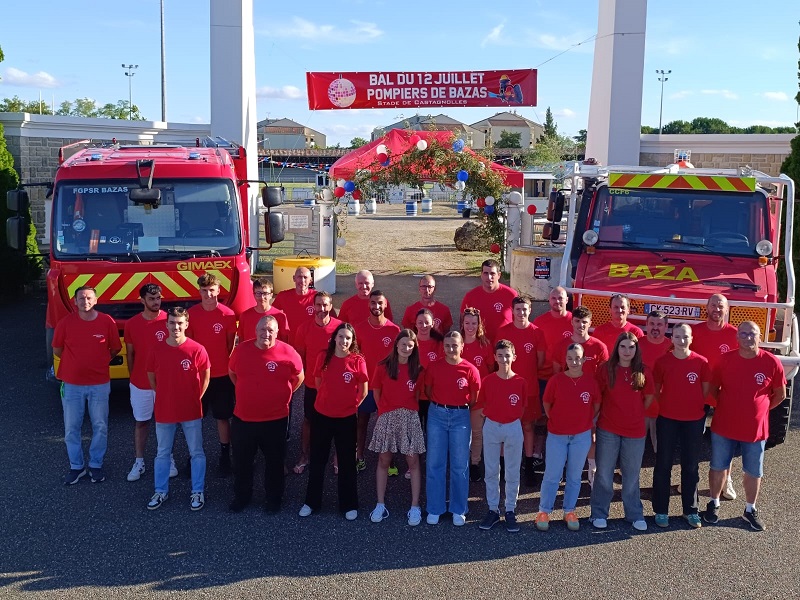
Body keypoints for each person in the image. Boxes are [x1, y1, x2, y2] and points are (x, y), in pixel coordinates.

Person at [703, 322, 785, 531]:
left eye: (753, 334)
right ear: (737, 337)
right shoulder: (725, 359)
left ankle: (750, 509)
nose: (748, 337)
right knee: (718, 466)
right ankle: (713, 503)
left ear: (760, 338)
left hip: (755, 429)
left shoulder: (771, 362)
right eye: (744, 334)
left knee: (754, 470)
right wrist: (725, 406)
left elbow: (780, 394)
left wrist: (761, 409)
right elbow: (712, 390)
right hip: (724, 425)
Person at [228, 315, 304, 514]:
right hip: (244, 419)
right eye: (262, 329)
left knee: (275, 463)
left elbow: (299, 376)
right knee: (242, 462)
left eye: (271, 330)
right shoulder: (241, 350)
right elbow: (232, 373)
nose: (266, 333)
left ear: (277, 332)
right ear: (255, 331)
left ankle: (273, 500)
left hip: (275, 419)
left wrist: (282, 395)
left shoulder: (288, 352)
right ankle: (242, 497)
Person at [53, 286, 122, 485]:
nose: (85, 301)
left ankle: (95, 464)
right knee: (71, 427)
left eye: (89, 297)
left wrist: (98, 362)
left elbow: (115, 348)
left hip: (99, 383)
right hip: (72, 384)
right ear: (75, 301)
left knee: (100, 425)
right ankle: (76, 466)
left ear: (96, 300)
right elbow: (58, 350)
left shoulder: (106, 321)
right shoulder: (65, 323)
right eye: (81, 298)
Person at [299, 323, 368, 520]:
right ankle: (311, 502)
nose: (344, 341)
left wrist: (349, 406)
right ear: (334, 338)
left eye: (348, 338)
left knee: (347, 462)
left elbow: (363, 391)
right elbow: (319, 382)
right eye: (341, 337)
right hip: (322, 416)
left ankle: (349, 505)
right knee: (318, 460)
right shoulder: (323, 357)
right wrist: (327, 401)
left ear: (352, 341)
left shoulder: (357, 360)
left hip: (346, 419)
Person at [146, 307, 210, 511]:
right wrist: (166, 396)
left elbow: (206, 376)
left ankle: (197, 491)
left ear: (187, 324)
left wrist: (194, 397)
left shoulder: (197, 349)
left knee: (196, 452)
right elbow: (152, 378)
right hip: (165, 410)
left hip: (191, 410)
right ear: (166, 325)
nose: (176, 327)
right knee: (162, 452)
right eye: (172, 322)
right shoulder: (156, 349)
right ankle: (160, 491)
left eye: (180, 323)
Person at [589, 332, 655, 531]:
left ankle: (634, 514)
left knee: (632, 475)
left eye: (631, 347)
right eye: (623, 347)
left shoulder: (644, 371)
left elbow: (649, 398)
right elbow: (598, 397)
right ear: (617, 348)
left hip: (634, 431)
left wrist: (635, 416)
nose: (627, 351)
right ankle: (599, 513)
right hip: (608, 429)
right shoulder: (605, 370)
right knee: (604, 474)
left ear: (637, 350)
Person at [536, 343, 601, 532]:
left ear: (584, 359)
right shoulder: (556, 380)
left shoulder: (591, 382)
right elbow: (547, 403)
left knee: (574, 476)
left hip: (581, 436)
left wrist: (583, 421)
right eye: (570, 358)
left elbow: (595, 405)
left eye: (578, 358)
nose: (574, 362)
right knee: (552, 475)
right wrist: (556, 419)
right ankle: (544, 511)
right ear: (565, 360)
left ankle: (569, 510)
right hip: (557, 435)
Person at [652, 324, 711, 529]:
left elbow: (704, 391)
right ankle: (661, 510)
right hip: (667, 418)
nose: (682, 340)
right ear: (672, 339)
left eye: (685, 337)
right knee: (663, 464)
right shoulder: (662, 362)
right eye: (678, 336)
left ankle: (691, 510)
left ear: (691, 338)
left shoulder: (701, 362)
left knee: (690, 466)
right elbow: (657, 389)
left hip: (693, 420)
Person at [367, 329, 426, 526]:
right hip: (387, 417)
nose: (407, 348)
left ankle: (415, 506)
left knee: (413, 462)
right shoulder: (383, 367)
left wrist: (409, 412)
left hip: (410, 418)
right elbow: (376, 394)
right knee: (384, 460)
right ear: (396, 345)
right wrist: (385, 412)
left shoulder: (418, 369)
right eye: (403, 344)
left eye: (411, 345)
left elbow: (418, 396)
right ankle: (380, 504)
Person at [424, 331, 481, 526]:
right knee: (435, 463)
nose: (450, 349)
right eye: (447, 345)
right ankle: (435, 507)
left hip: (460, 417)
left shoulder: (470, 369)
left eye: (454, 345)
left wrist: (458, 408)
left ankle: (459, 508)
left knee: (459, 464)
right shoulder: (434, 367)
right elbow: (429, 391)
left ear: (462, 346)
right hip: (437, 415)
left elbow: (474, 397)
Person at [123, 283, 177, 482]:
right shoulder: (131, 324)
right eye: (152, 299)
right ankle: (139, 461)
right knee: (141, 422)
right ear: (142, 300)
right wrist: (134, 377)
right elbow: (130, 354)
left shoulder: (170, 321)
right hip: (140, 384)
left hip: (165, 384)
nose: (156, 302)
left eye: (158, 298)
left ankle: (168, 458)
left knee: (166, 423)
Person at [552, 305, 609, 488]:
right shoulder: (562, 345)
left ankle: (591, 472)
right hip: (567, 402)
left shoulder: (599, 346)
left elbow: (604, 375)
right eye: (577, 321)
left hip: (590, 401)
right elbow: (556, 374)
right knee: (565, 436)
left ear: (590, 323)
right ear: (572, 322)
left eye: (584, 322)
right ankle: (563, 470)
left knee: (591, 436)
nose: (580, 325)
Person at [187, 273, 237, 476]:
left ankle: (225, 456)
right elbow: (189, 348)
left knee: (222, 417)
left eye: (212, 290)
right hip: (197, 376)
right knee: (194, 418)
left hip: (221, 375)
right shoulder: (191, 314)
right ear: (199, 291)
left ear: (218, 291)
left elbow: (229, 346)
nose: (208, 294)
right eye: (204, 290)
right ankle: (193, 456)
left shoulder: (227, 315)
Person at [691, 293, 740, 501]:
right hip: (697, 394)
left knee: (726, 440)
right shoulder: (694, 332)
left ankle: (726, 480)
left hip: (724, 395)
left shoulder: (735, 334)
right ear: (707, 307)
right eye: (713, 305)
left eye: (721, 306)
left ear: (727, 309)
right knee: (693, 438)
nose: (717, 309)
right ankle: (690, 481)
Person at [477, 340, 527, 533]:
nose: (504, 359)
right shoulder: (488, 380)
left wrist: (509, 420)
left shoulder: (520, 382)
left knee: (512, 470)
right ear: (495, 358)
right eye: (500, 355)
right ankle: (492, 509)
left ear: (514, 357)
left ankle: (511, 509)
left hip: (513, 427)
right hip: (491, 426)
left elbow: (521, 407)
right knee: (491, 469)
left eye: (508, 355)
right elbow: (483, 404)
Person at [496, 296, 546, 486]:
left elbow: (539, 361)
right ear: (512, 310)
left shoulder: (537, 333)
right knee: (504, 427)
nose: (521, 313)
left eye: (525, 309)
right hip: (506, 388)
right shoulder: (503, 332)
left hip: (529, 388)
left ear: (530, 310)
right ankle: (502, 466)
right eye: (518, 309)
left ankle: (528, 465)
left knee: (527, 427)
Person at [293, 292, 342, 474]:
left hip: (336, 386)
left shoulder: (340, 328)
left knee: (338, 422)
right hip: (313, 385)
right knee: (309, 420)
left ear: (331, 306)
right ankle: (305, 455)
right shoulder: (303, 329)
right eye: (318, 305)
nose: (322, 309)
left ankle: (338, 457)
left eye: (325, 305)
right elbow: (300, 358)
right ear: (313, 307)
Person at [353, 290, 401, 473]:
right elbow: (354, 357)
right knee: (362, 422)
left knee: (388, 424)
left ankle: (390, 460)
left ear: (386, 304)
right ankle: (359, 457)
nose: (376, 307)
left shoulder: (394, 330)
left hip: (386, 386)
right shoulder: (359, 329)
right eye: (373, 303)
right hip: (366, 386)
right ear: (369, 304)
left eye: (380, 303)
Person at [460, 307, 496, 482]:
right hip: (459, 397)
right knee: (460, 432)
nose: (470, 327)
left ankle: (475, 463)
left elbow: (489, 370)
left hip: (479, 398)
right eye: (467, 323)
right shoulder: (457, 343)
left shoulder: (485, 344)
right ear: (462, 323)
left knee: (477, 432)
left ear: (479, 324)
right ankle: (461, 462)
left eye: (474, 323)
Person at [460, 259, 517, 342]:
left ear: (499, 275)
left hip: (504, 347)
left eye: (492, 273)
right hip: (480, 345)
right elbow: (462, 322)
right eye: (485, 273)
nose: (489, 277)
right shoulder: (471, 296)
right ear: (481, 275)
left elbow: (519, 320)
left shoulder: (511, 295)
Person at [638, 310, 671, 452]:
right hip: (640, 405)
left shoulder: (672, 346)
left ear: (666, 326)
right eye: (652, 323)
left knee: (662, 449)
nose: (655, 327)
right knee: (636, 446)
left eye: (659, 324)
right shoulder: (636, 345)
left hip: (663, 406)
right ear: (646, 325)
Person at [532, 286, 573, 386]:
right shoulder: (539, 322)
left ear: (567, 300)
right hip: (543, 377)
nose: (557, 301)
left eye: (560, 298)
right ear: (549, 300)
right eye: (553, 298)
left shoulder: (575, 321)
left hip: (567, 376)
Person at [413, 308, 444, 433]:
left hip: (434, 396)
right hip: (414, 395)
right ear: (415, 324)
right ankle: (415, 453)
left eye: (427, 322)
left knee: (433, 432)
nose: (423, 326)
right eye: (420, 322)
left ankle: (431, 452)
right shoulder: (411, 343)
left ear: (432, 324)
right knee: (416, 432)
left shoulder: (440, 343)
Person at [272, 267, 316, 347]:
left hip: (310, 343)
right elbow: (270, 315)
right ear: (294, 278)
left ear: (311, 280)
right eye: (299, 277)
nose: (302, 281)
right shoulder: (283, 296)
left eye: (305, 277)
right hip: (290, 343)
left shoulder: (317, 298)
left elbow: (331, 319)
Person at [236, 278, 289, 344]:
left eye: (265, 293)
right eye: (258, 293)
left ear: (271, 295)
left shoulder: (280, 316)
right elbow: (241, 342)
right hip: (250, 353)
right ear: (254, 294)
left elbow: (284, 343)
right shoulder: (245, 316)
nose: (262, 297)